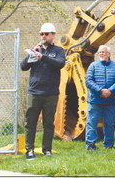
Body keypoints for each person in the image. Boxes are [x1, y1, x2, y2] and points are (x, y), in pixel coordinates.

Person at [20, 23, 65, 160]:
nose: (43, 36)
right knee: (30, 122)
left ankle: (47, 149)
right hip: (34, 92)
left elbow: (60, 63)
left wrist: (43, 57)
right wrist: (32, 54)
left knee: (48, 123)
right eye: (41, 34)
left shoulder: (58, 50)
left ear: (52, 35)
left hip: (50, 93)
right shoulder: (35, 50)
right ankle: (29, 150)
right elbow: (23, 67)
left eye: (46, 34)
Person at [85, 45, 115, 151]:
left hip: (109, 101)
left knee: (110, 124)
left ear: (109, 54)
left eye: (103, 52)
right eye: (100, 52)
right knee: (91, 123)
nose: (101, 54)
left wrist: (110, 91)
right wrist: (100, 90)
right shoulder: (93, 66)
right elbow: (88, 81)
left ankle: (109, 144)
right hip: (95, 100)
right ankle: (90, 145)